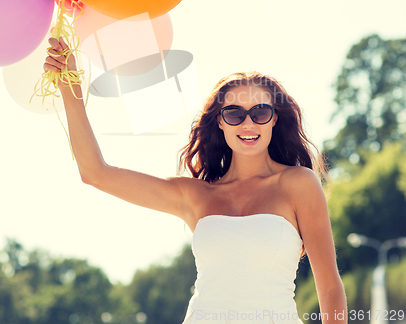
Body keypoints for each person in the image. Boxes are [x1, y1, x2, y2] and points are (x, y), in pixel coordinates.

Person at [44, 36, 347, 324]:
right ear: (220, 121)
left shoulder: (298, 183)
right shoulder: (195, 195)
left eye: (260, 112)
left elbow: (330, 288)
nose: (248, 123)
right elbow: (96, 173)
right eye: (234, 113)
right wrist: (70, 90)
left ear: (275, 118)